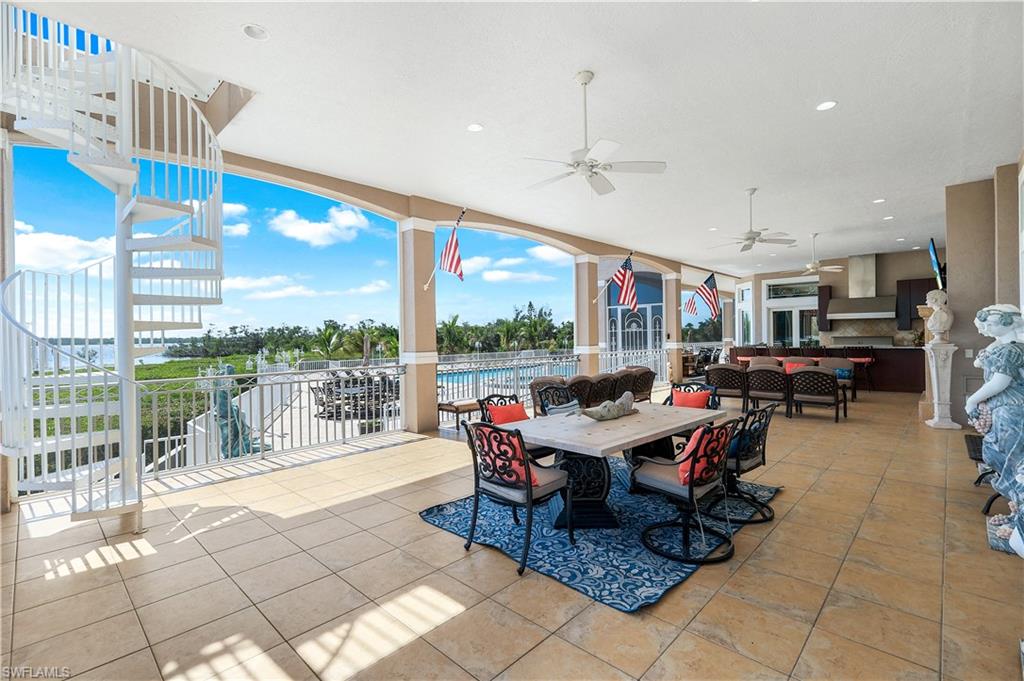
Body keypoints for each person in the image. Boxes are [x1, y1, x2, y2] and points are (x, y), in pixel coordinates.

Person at [966, 304, 1024, 557]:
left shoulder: (1012, 350)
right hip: (1001, 410)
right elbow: (985, 359)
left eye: (990, 322)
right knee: (1007, 461)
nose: (985, 328)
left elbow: (1000, 381)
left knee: (1014, 464)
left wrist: (971, 401)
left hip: (1010, 411)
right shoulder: (1003, 347)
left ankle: (1018, 523)